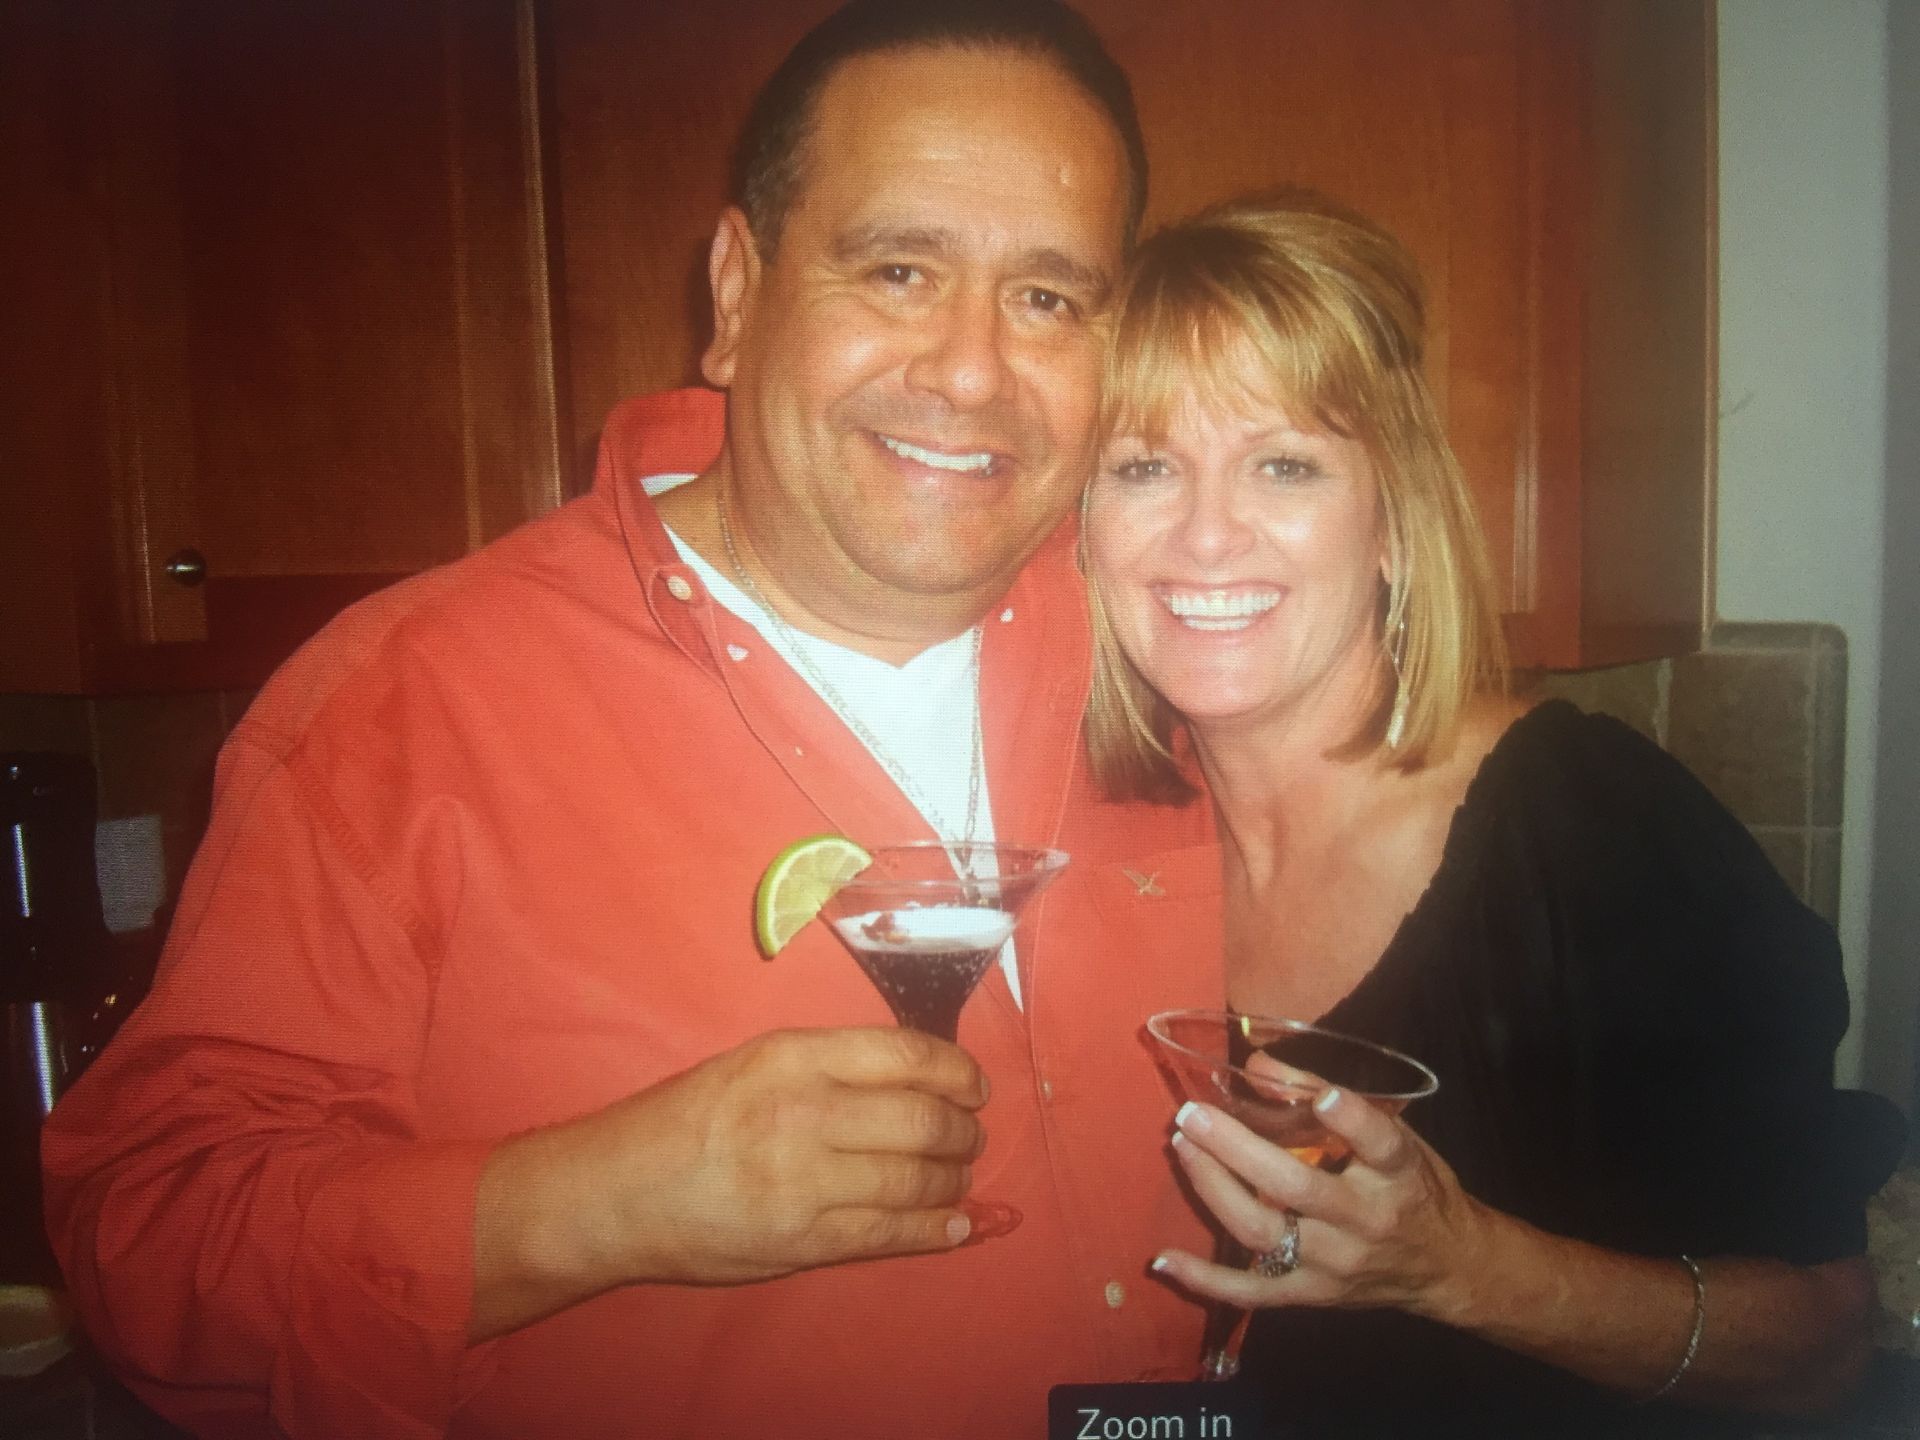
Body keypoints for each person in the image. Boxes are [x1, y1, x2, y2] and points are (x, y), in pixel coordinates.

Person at [40, 5, 1224, 1436]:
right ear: (736, 292)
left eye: (1049, 298)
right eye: (898, 268)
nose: (972, 369)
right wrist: (589, 1207)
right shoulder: (396, 712)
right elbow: (142, 1237)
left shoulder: (1184, 648)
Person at [1079, 191, 1906, 1427]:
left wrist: (1457, 1264)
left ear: (1393, 526)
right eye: (1146, 465)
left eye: (1285, 463)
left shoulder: (1591, 836)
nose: (1205, 534)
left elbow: (1822, 1343)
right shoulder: (1109, 847)